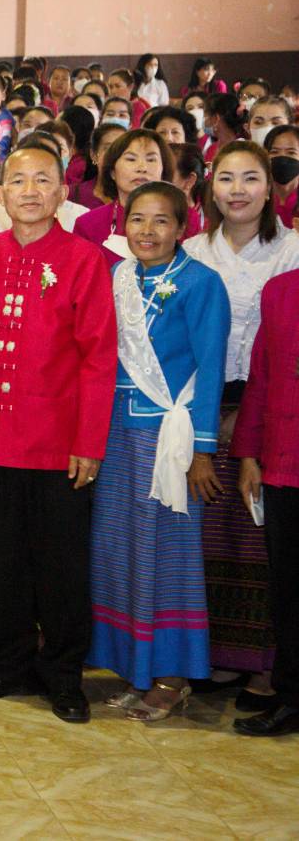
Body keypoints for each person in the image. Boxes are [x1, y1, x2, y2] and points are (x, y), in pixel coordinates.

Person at [0, 144, 117, 724]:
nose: (31, 191)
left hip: (58, 443)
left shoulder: (84, 259)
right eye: (18, 181)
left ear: (64, 193)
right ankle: (6, 662)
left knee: (61, 564)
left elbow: (98, 358)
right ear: (0, 193)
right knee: (4, 560)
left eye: (44, 180)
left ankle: (63, 674)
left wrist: (90, 442)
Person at [89, 182, 229, 721]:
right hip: (115, 435)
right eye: (137, 220)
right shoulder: (116, 277)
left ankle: (170, 675)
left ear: (182, 226)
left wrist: (202, 451)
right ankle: (134, 668)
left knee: (167, 555)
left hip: (170, 441)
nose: (147, 231)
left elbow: (211, 371)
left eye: (161, 221)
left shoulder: (201, 284)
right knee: (118, 548)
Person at [183, 142, 299, 709]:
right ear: (209, 187)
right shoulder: (191, 251)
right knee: (208, 541)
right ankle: (221, 659)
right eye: (225, 178)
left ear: (270, 189)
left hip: (273, 412)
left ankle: (269, 668)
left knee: (264, 545)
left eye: (250, 178)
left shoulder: (293, 252)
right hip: (201, 411)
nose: (237, 190)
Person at [231, 265, 299, 735]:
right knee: (290, 590)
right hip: (284, 463)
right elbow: (261, 377)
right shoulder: (280, 291)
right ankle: (292, 696)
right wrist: (249, 455)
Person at [74, 130, 175, 262]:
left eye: (151, 159)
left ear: (164, 170)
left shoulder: (183, 219)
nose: (142, 168)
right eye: (131, 159)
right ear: (112, 172)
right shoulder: (88, 224)